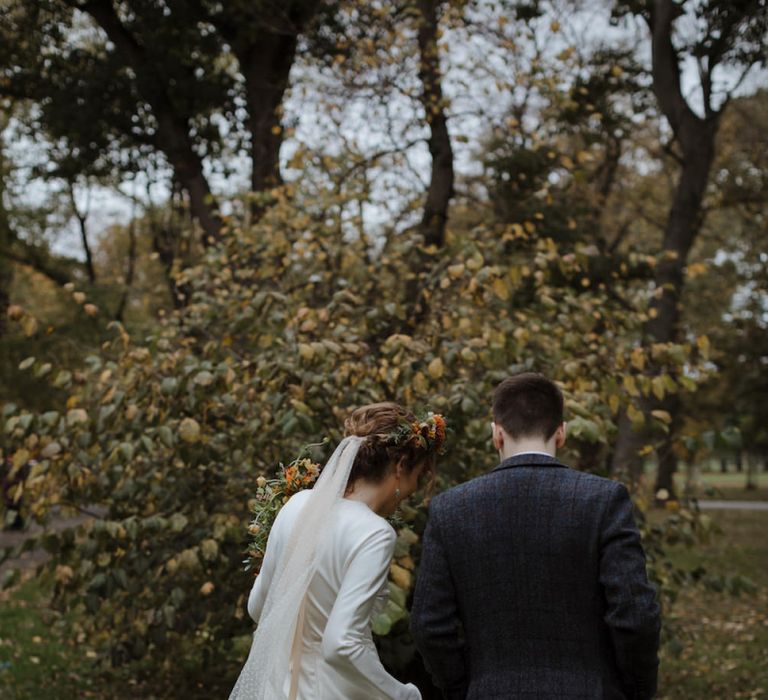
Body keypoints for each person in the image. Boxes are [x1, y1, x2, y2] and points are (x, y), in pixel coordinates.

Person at [411, 372, 661, 699]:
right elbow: (635, 615)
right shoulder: (603, 500)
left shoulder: (451, 509)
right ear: (561, 434)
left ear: (496, 435)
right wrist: (635, 690)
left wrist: (465, 688)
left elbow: (430, 625)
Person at [230, 402, 445, 700]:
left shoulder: (296, 505)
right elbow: (342, 643)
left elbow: (257, 607)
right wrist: (401, 693)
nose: (412, 489)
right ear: (399, 465)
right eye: (417, 475)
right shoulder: (374, 533)